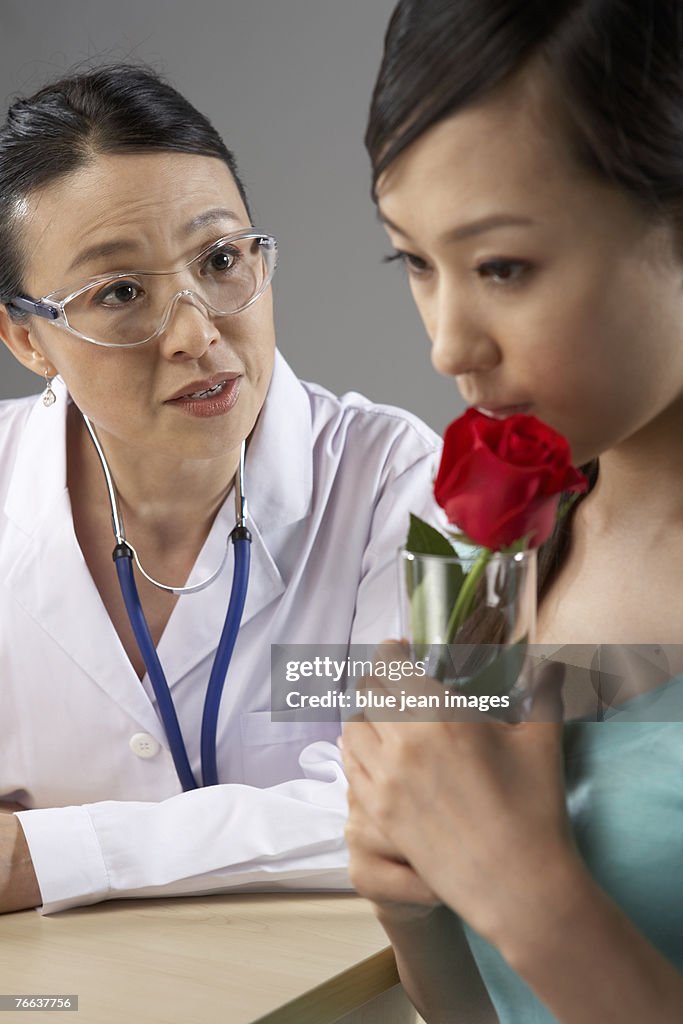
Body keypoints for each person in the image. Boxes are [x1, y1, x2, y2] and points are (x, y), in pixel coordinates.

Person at [0, 64, 441, 915]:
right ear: (26, 339)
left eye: (221, 259)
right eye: (120, 292)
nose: (196, 333)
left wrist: (40, 857)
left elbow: (433, 797)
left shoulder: (410, 482)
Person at [341, 1, 683, 1022]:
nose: (448, 344)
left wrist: (526, 893)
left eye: (501, 267)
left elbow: (518, 916)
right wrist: (406, 895)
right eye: (412, 260)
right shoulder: (473, 546)